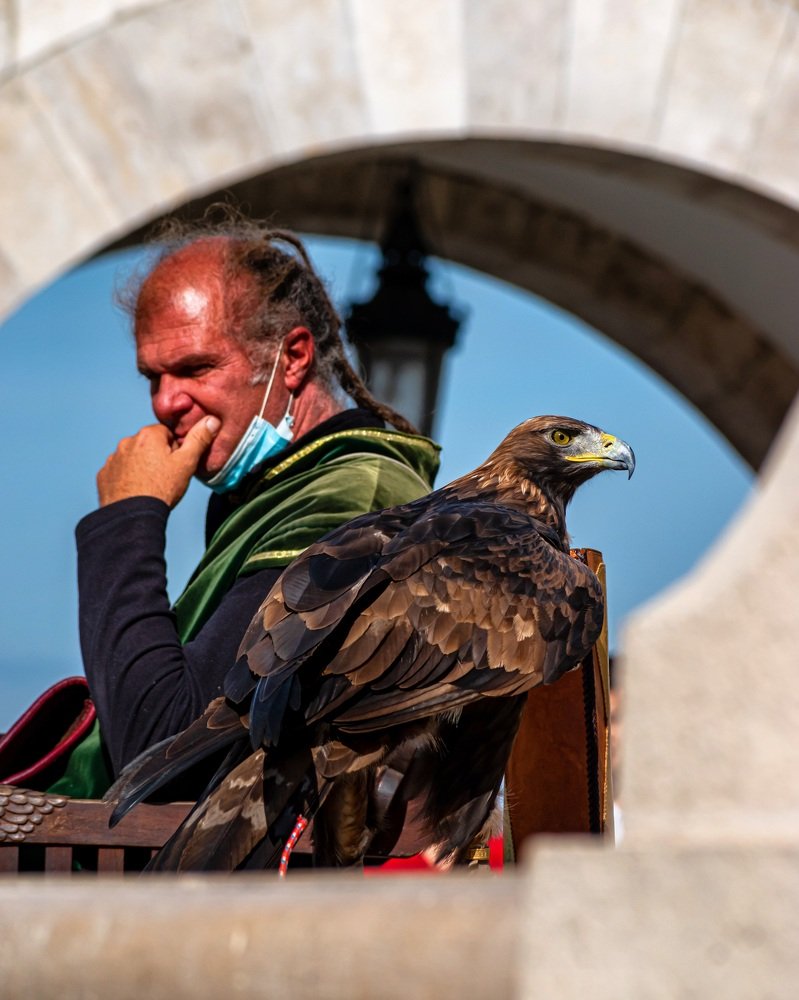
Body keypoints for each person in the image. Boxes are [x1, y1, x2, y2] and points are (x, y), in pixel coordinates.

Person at [41, 214, 440, 796]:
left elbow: (162, 746)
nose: (165, 402)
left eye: (195, 367)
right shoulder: (276, 491)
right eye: (152, 376)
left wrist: (127, 518)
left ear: (294, 356)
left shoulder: (352, 497)